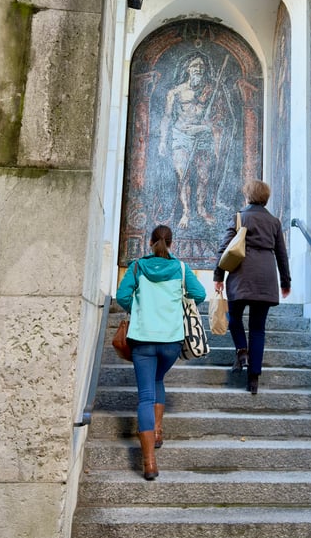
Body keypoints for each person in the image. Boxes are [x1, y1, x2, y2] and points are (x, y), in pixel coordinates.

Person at [115, 224, 206, 480]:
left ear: (150, 243)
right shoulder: (181, 268)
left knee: (146, 396)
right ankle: (157, 431)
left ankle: (149, 462)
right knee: (158, 379)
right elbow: (199, 294)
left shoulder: (137, 267)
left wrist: (138, 308)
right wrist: (176, 305)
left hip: (143, 339)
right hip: (171, 341)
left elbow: (122, 296)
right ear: (171, 244)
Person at [213, 180, 291, 395]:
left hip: (241, 276)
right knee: (258, 329)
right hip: (265, 278)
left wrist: (218, 276)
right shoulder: (274, 222)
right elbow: (282, 255)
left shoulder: (239, 217)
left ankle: (242, 351)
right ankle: (253, 379)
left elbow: (224, 249)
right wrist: (285, 282)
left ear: (248, 196)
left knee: (234, 318)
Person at [158, 52, 231, 229]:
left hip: (204, 136)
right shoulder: (176, 92)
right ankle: (186, 212)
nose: (198, 69)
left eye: (201, 66)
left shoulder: (213, 90)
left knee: (203, 175)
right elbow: (167, 117)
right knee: (183, 175)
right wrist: (162, 141)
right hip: (181, 136)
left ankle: (201, 208)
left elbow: (222, 117)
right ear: (187, 69)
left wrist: (205, 128)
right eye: (194, 66)